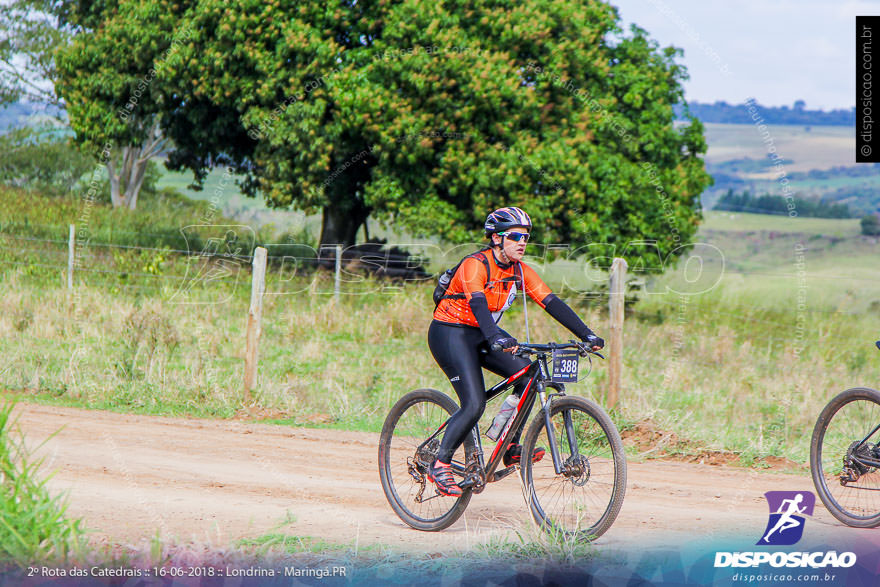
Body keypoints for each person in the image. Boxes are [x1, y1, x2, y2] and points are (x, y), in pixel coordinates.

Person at [427, 206, 605, 497]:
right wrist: (496, 336)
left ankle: (508, 444)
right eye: (516, 236)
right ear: (497, 239)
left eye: (526, 237)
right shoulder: (475, 264)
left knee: (525, 375)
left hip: (485, 333)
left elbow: (551, 302)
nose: (523, 242)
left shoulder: (520, 270)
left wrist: (586, 334)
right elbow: (478, 305)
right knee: (473, 404)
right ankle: (440, 463)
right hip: (451, 332)